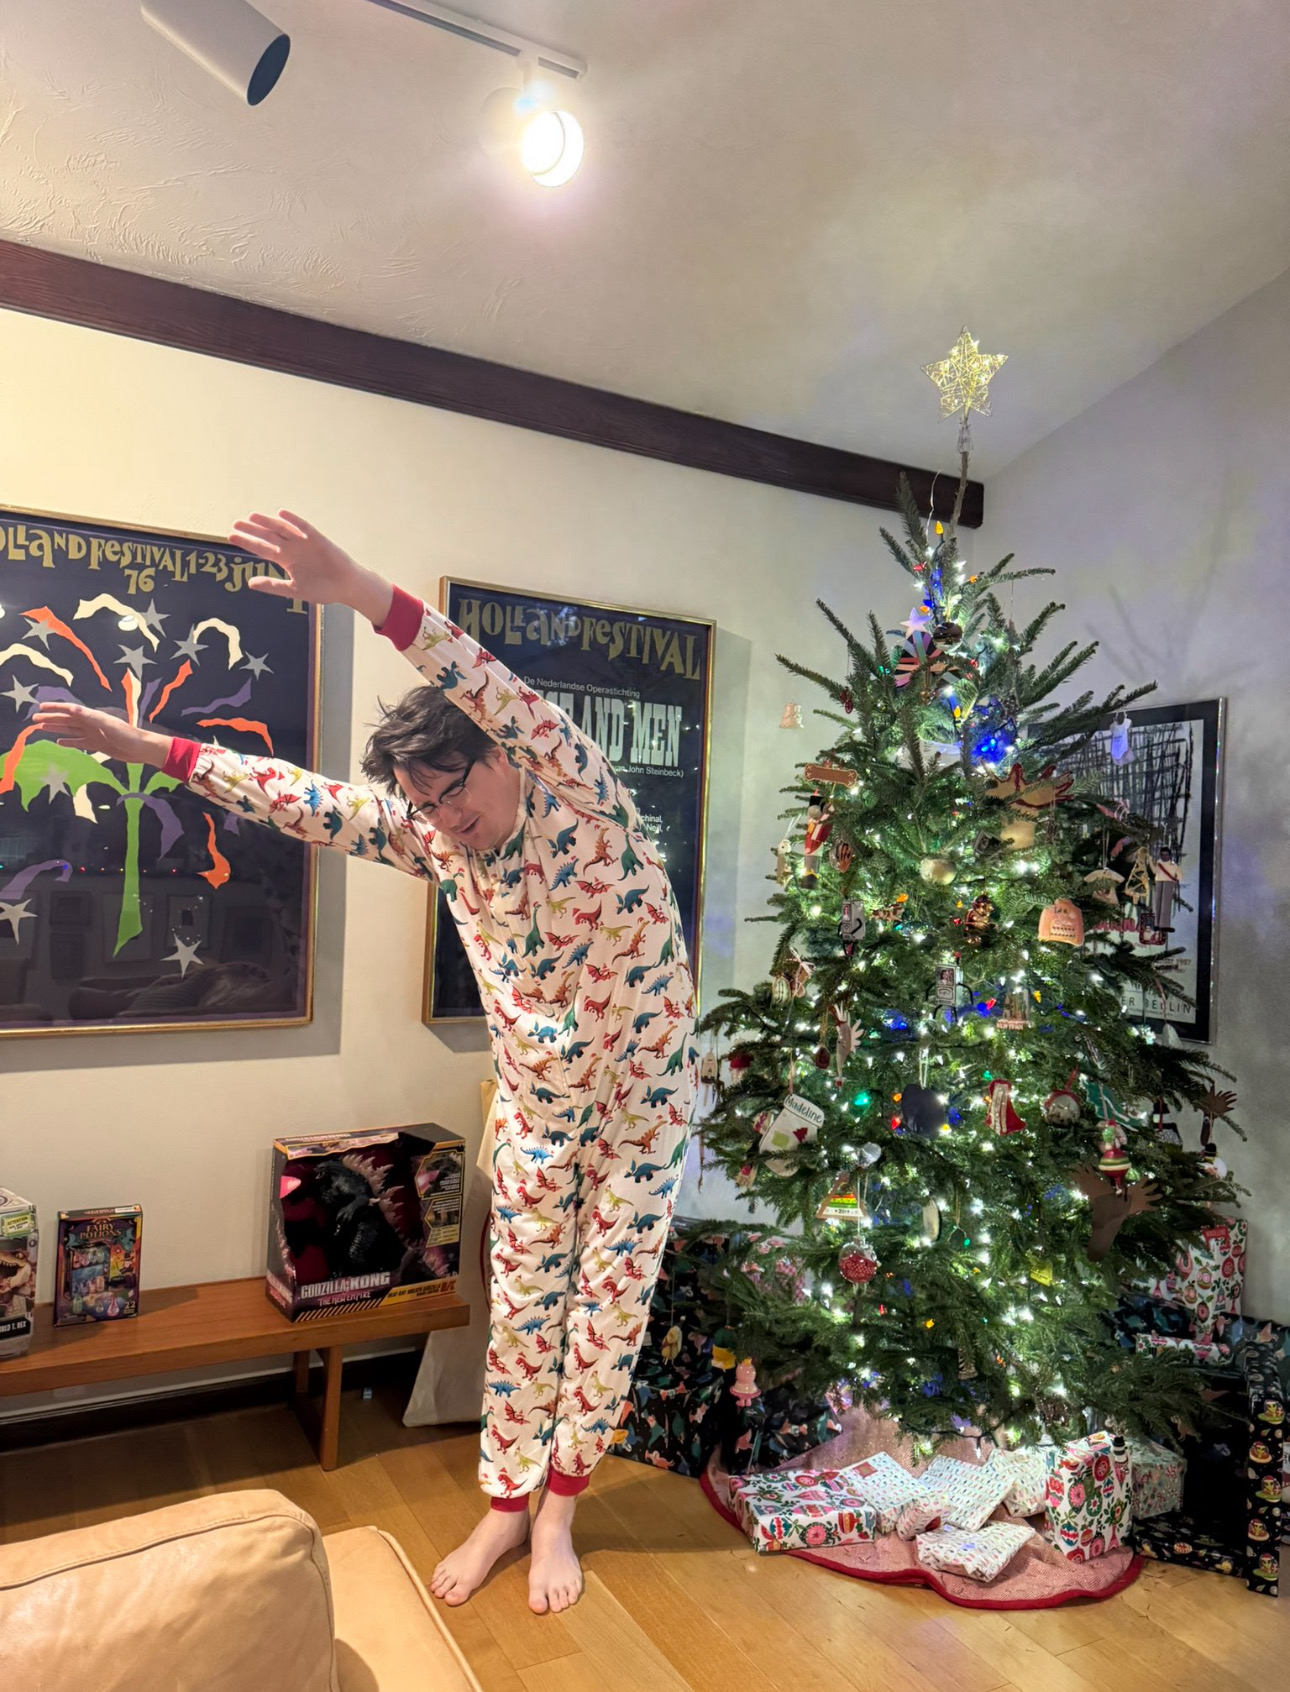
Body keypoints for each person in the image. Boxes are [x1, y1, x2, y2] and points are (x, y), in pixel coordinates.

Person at [33, 513, 697, 1616]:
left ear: (502, 756)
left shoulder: (578, 788)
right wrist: (146, 750)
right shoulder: (436, 836)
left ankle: (562, 1514)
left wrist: (359, 591)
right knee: (524, 1305)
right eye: (425, 803)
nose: (446, 818)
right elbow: (304, 801)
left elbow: (485, 681)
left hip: (644, 1111)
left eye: (454, 791)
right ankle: (506, 1504)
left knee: (608, 1314)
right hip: (540, 1110)